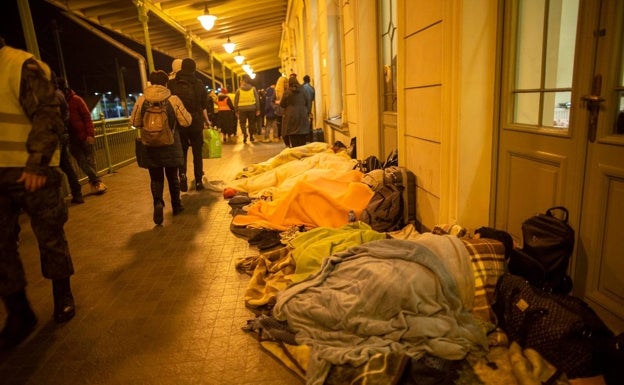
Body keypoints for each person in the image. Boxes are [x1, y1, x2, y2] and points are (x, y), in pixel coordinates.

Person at [0, 37, 77, 349]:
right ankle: (19, 311)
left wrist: (36, 164)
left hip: (30, 171)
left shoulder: (20, 64)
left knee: (49, 235)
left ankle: (63, 294)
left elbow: (48, 113)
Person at [131, 70, 192, 225]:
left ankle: (158, 203)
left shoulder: (141, 100)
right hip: (171, 143)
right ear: (166, 83)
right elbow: (186, 121)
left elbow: (135, 122)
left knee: (156, 178)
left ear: (150, 83)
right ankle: (176, 206)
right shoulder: (173, 99)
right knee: (173, 177)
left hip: (150, 146)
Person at [57, 78, 108, 195]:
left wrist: (90, 134)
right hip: (72, 140)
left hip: (84, 137)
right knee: (83, 164)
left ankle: (96, 185)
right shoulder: (59, 103)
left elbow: (87, 117)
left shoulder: (76, 100)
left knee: (90, 163)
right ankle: (97, 181)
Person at [167, 58, 211, 191]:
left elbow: (169, 103)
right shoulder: (199, 84)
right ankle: (198, 181)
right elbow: (204, 103)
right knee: (197, 153)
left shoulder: (171, 84)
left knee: (182, 151)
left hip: (180, 123)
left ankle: (182, 175)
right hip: (196, 122)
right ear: (194, 69)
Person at [51, 71, 83, 204]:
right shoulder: (61, 95)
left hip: (54, 136)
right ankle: (77, 193)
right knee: (67, 166)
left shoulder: (51, 96)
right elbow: (66, 115)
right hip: (62, 133)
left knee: (53, 168)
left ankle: (57, 200)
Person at [280, 76, 311, 148]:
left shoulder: (287, 92)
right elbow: (308, 101)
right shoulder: (304, 90)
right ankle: (303, 155)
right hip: (302, 116)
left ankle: (296, 155)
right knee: (302, 141)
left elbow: (282, 104)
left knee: (294, 139)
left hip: (291, 117)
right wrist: (307, 112)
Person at [234, 74, 260, 143]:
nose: (240, 82)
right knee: (252, 123)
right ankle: (251, 136)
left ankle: (245, 134)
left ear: (243, 82)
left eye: (241, 81)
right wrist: (258, 109)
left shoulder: (238, 91)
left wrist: (236, 111)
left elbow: (236, 101)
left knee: (242, 123)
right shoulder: (253, 89)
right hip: (252, 108)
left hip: (242, 109)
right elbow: (257, 99)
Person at [302, 74, 316, 141]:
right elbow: (313, 99)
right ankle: (309, 136)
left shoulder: (302, 88)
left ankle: (305, 137)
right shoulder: (312, 88)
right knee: (309, 123)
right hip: (309, 108)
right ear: (309, 80)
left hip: (302, 109)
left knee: (303, 123)